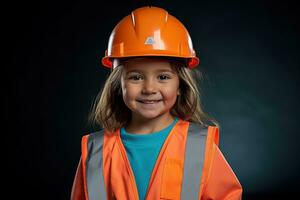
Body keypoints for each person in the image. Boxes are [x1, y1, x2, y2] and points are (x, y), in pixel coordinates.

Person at [71, 6, 242, 200]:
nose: (149, 88)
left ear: (180, 85)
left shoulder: (198, 146)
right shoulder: (96, 151)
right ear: (118, 85)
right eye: (135, 77)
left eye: (163, 76)